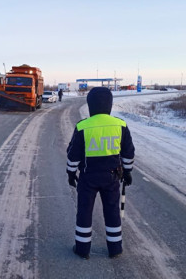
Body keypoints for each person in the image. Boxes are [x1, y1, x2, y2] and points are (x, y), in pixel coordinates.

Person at [66, 87, 135, 259]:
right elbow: (128, 153)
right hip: (112, 177)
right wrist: (127, 172)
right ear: (110, 105)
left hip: (88, 177)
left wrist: (70, 173)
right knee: (112, 211)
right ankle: (115, 249)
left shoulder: (83, 127)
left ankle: (82, 249)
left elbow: (73, 155)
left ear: (90, 105)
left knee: (84, 211)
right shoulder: (121, 125)